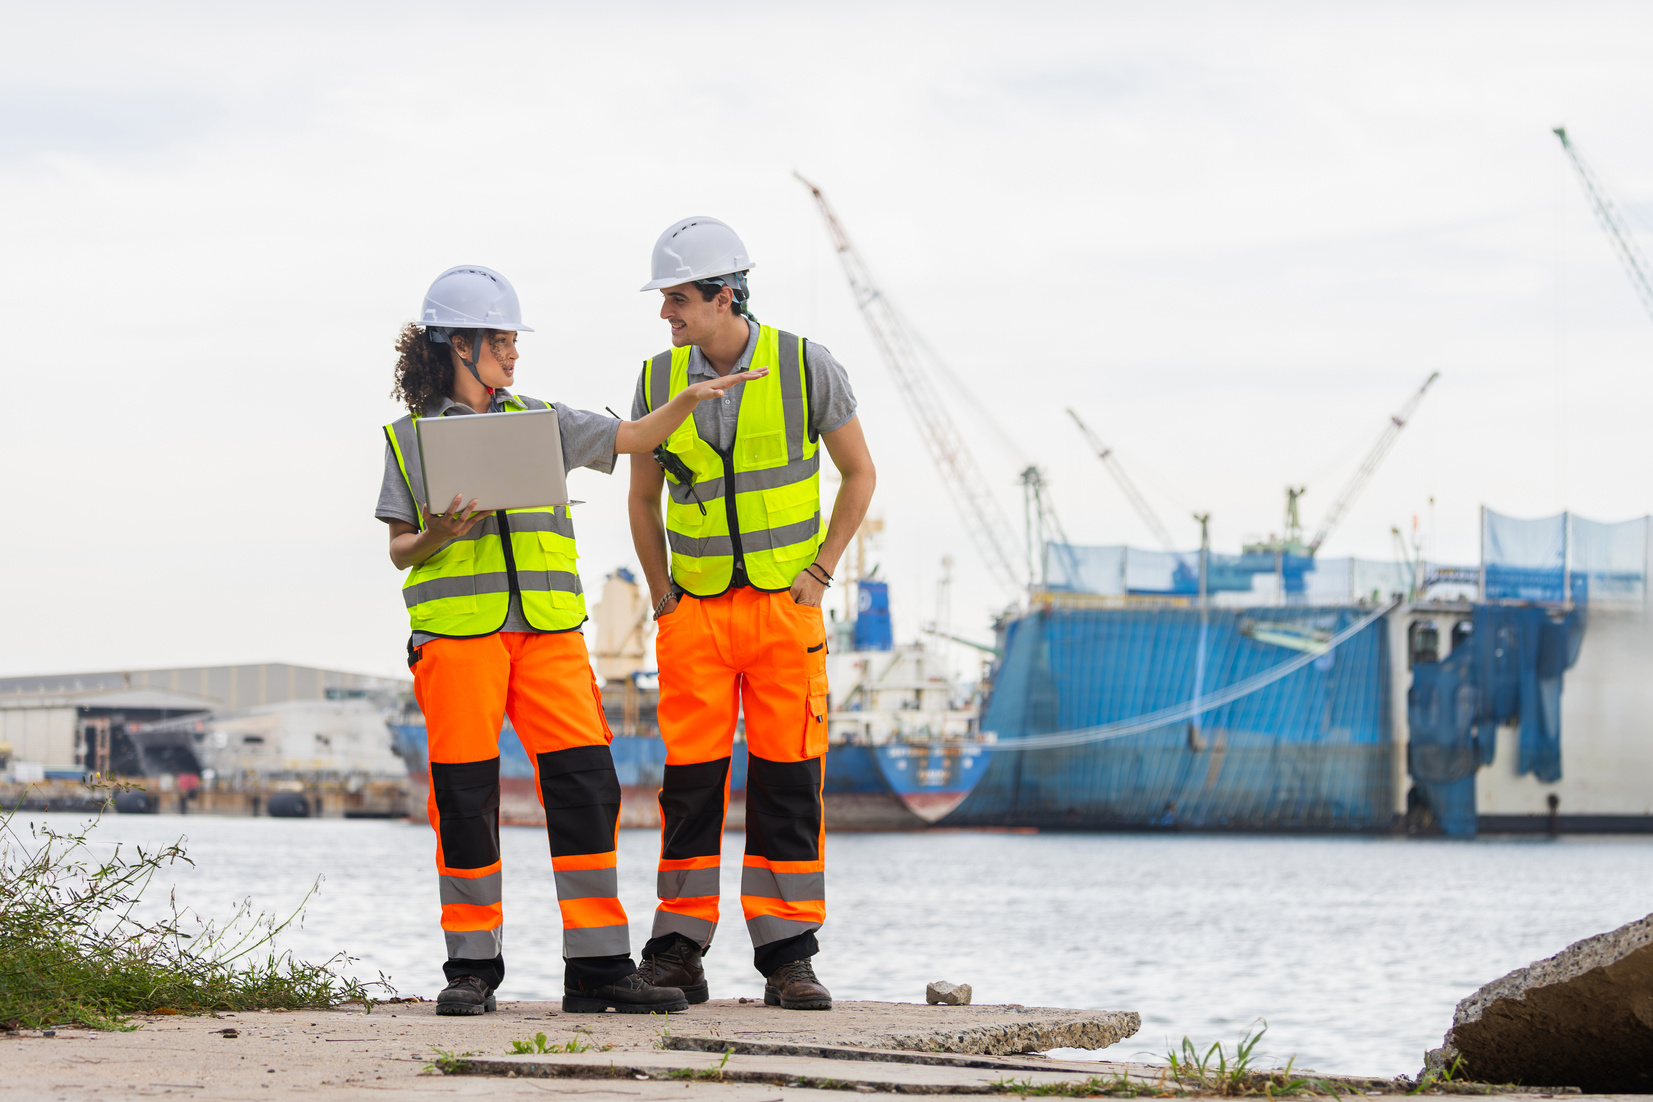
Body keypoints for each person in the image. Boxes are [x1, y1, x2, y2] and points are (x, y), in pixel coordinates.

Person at [376, 265, 764, 1016]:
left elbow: (634, 435)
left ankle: (596, 968)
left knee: (587, 788)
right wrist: (439, 533)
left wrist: (687, 401)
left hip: (550, 637)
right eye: (501, 341)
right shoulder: (409, 439)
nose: (514, 354)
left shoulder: (544, 420)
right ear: (459, 345)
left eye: (514, 341)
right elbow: (399, 549)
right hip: (457, 642)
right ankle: (471, 971)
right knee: (464, 802)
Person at [627, 218, 877, 1010]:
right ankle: (677, 953)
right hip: (695, 617)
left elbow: (859, 473)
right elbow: (641, 498)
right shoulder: (656, 379)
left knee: (788, 788)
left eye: (677, 299)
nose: (666, 313)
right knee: (688, 791)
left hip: (783, 613)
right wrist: (661, 596)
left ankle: (788, 958)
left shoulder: (806, 366)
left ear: (724, 296)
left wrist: (819, 572)